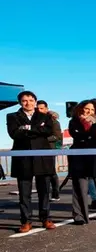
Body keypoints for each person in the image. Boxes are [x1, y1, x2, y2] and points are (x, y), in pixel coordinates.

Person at [7, 91, 56, 233]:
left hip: (42, 158)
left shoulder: (45, 116)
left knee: (45, 191)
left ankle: (46, 218)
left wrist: (27, 128)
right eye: (24, 100)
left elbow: (48, 131)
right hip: (23, 159)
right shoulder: (12, 117)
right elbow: (14, 134)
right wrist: (36, 129)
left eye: (30, 100)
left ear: (35, 101)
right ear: (20, 103)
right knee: (24, 193)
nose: (27, 103)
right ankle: (26, 221)